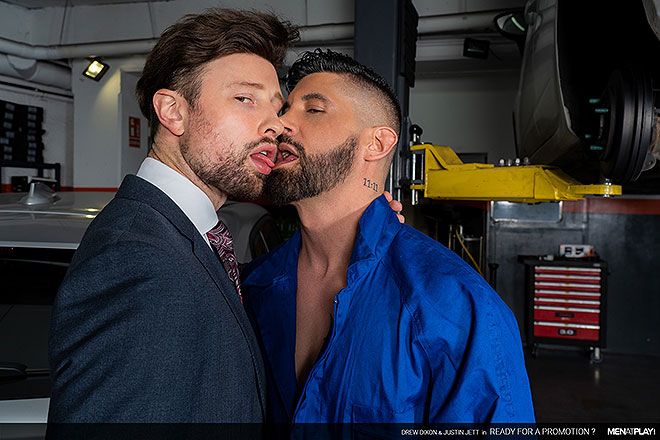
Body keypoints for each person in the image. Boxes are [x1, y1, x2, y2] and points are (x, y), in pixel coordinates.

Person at [242, 49, 536, 425]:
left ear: (377, 143)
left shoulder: (457, 307)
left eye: (313, 109)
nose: (281, 124)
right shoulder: (253, 285)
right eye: (284, 110)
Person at [47, 9, 297, 423]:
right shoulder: (137, 260)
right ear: (173, 111)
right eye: (245, 99)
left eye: (277, 107)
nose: (276, 126)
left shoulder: (184, 236)